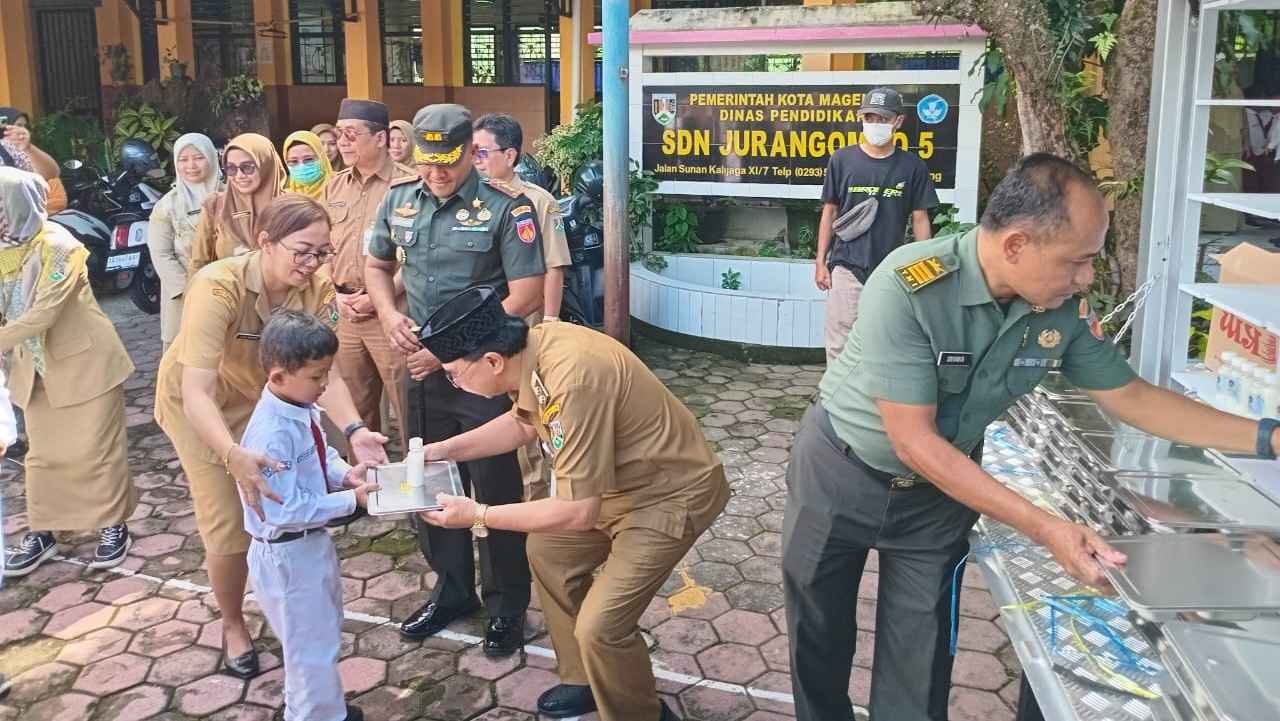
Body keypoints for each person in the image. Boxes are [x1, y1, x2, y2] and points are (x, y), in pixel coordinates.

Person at [783, 153, 1280, 721]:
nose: (1086, 278)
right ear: (1017, 245)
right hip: (839, 475)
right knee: (817, 634)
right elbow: (915, 443)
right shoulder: (909, 284)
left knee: (918, 663)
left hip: (936, 502)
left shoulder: (1060, 308)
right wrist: (1048, 528)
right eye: (1079, 262)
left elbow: (1132, 397)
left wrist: (1268, 437)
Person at [417, 286, 727, 721]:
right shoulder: (532, 350)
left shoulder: (572, 376)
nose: (453, 383)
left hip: (667, 496)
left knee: (601, 626)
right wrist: (441, 450)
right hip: (615, 490)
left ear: (491, 361)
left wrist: (478, 515)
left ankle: (641, 714)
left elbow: (578, 510)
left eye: (453, 373)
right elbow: (524, 425)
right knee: (548, 551)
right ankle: (583, 678)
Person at [155, 193, 388, 679]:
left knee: (286, 486)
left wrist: (355, 430)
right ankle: (234, 623)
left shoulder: (319, 288)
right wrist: (232, 454)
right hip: (204, 408)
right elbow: (194, 389)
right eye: (301, 250)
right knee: (229, 521)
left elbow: (330, 375)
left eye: (322, 252)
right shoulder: (216, 287)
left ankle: (280, 602)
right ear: (265, 242)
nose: (312, 263)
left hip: (269, 399)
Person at [364, 103, 545, 655]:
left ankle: (507, 604)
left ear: (471, 151)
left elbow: (527, 292)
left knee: (494, 486)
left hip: (481, 375)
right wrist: (390, 314)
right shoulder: (397, 200)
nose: (437, 173)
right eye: (428, 162)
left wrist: (449, 356)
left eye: (448, 161)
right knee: (427, 477)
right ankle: (452, 591)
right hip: (420, 375)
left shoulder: (504, 208)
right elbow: (377, 266)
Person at [239, 310, 378, 721]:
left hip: (308, 545)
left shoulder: (296, 406)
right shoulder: (271, 433)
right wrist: (353, 502)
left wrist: (345, 475)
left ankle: (325, 709)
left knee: (321, 635)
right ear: (278, 376)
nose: (324, 385)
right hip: (287, 554)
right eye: (317, 377)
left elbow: (319, 457)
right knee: (309, 653)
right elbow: (285, 509)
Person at [0, 168, 136, 578]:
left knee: (97, 450)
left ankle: (113, 526)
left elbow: (44, 312)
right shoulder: (3, 251)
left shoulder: (60, 246)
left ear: (17, 205)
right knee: (43, 456)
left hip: (85, 363)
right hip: (33, 370)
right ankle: (45, 528)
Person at [472, 112, 573, 502]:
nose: (475, 160)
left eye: (483, 153)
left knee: (525, 417)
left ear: (510, 155)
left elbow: (553, 266)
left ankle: (531, 505)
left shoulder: (536, 202)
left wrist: (549, 321)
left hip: (519, 330)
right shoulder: (467, 202)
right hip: (476, 336)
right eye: (472, 153)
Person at [815, 87, 938, 362]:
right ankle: (838, 402)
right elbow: (829, 212)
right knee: (840, 344)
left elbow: (920, 219)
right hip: (847, 265)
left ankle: (873, 400)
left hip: (890, 270)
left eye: (882, 119)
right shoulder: (842, 160)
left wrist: (925, 267)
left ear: (898, 121)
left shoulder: (912, 166)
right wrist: (821, 261)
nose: (875, 124)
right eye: (869, 117)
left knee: (885, 341)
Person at [325, 99, 415, 453]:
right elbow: (323, 245)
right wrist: (335, 294)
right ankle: (363, 482)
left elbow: (419, 256)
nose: (343, 142)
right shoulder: (335, 186)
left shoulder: (409, 186)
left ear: (381, 138)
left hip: (393, 311)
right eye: (338, 134)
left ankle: (418, 482)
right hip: (346, 310)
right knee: (353, 404)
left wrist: (380, 296)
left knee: (406, 403)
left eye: (351, 134)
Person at [148, 133, 221, 350]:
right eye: (183, 159)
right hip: (184, 295)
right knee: (183, 355)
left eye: (198, 157)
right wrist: (189, 289)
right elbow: (161, 254)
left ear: (212, 157)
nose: (191, 165)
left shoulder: (233, 195)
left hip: (229, 287)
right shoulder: (167, 205)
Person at [190, 133, 287, 274]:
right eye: (231, 168)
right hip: (230, 293)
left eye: (247, 167)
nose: (239, 176)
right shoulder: (216, 206)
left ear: (266, 164)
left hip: (285, 294)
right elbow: (199, 263)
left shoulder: (292, 206)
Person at [0, 106, 59, 179]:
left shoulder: (16, 148)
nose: (23, 130)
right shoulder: (6, 144)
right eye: (19, 125)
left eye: (25, 126)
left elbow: (52, 174)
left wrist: (28, 148)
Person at [282, 131, 335, 199]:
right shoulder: (285, 196)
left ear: (322, 158)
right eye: (293, 161)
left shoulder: (340, 186)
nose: (301, 166)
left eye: (308, 159)